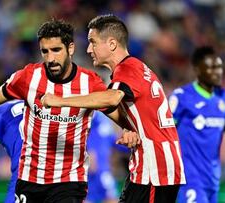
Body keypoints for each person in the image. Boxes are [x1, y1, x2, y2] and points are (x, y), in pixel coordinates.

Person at [0, 19, 136, 203]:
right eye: (45, 51)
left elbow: (115, 112)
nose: (51, 58)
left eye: (56, 50)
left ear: (70, 48)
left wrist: (129, 129)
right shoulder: (28, 77)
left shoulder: (89, 82)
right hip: (29, 179)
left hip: (69, 180)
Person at [41, 14, 185, 203]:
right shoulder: (135, 69)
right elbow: (123, 108)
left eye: (92, 42)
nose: (88, 49)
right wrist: (129, 128)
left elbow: (111, 99)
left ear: (111, 44)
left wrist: (60, 100)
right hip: (149, 166)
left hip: (155, 169)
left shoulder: (128, 69)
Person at [168, 46, 225, 203]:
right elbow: (164, 131)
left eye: (219, 67)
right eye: (211, 68)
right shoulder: (181, 98)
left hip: (213, 179)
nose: (218, 72)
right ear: (197, 70)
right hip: (190, 178)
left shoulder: (224, 97)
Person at [86, 111, 120, 203]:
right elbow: (82, 128)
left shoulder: (105, 117)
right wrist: (88, 151)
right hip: (92, 168)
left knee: (111, 197)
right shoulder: (94, 111)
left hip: (104, 169)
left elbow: (111, 138)